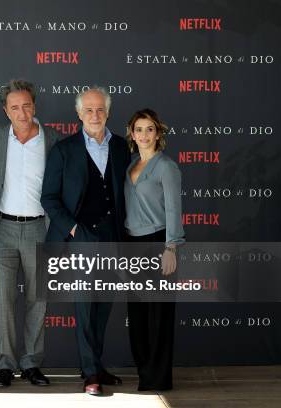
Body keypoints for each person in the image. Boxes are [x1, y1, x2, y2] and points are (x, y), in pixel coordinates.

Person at [41, 87, 130, 396]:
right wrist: (75, 230)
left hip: (113, 238)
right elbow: (49, 198)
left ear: (108, 112)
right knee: (84, 307)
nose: (95, 115)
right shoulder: (64, 150)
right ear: (79, 114)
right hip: (80, 237)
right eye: (88, 110)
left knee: (103, 307)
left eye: (100, 110)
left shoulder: (121, 147)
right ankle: (89, 372)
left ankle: (97, 365)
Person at [0, 80, 59, 387]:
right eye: (14, 107)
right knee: (1, 300)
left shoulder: (53, 139)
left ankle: (31, 363)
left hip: (39, 228)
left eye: (26, 105)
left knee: (37, 299)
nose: (21, 112)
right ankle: (5, 364)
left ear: (35, 106)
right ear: (5, 110)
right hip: (1, 228)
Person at [124, 108, 185, 391]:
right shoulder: (131, 165)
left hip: (159, 243)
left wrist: (171, 248)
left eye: (150, 129)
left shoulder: (166, 167)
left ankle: (159, 378)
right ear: (132, 134)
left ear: (158, 133)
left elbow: (174, 209)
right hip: (132, 245)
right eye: (139, 129)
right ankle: (144, 372)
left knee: (159, 315)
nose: (144, 134)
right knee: (137, 315)